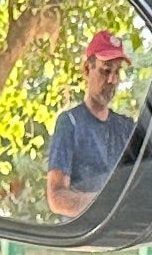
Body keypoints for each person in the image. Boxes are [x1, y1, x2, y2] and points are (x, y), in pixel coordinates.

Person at [45, 29, 141, 219]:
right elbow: (56, 198)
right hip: (83, 240)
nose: (112, 80)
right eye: (106, 70)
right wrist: (107, 205)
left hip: (121, 239)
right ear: (87, 70)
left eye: (117, 71)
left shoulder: (127, 127)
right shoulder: (70, 123)